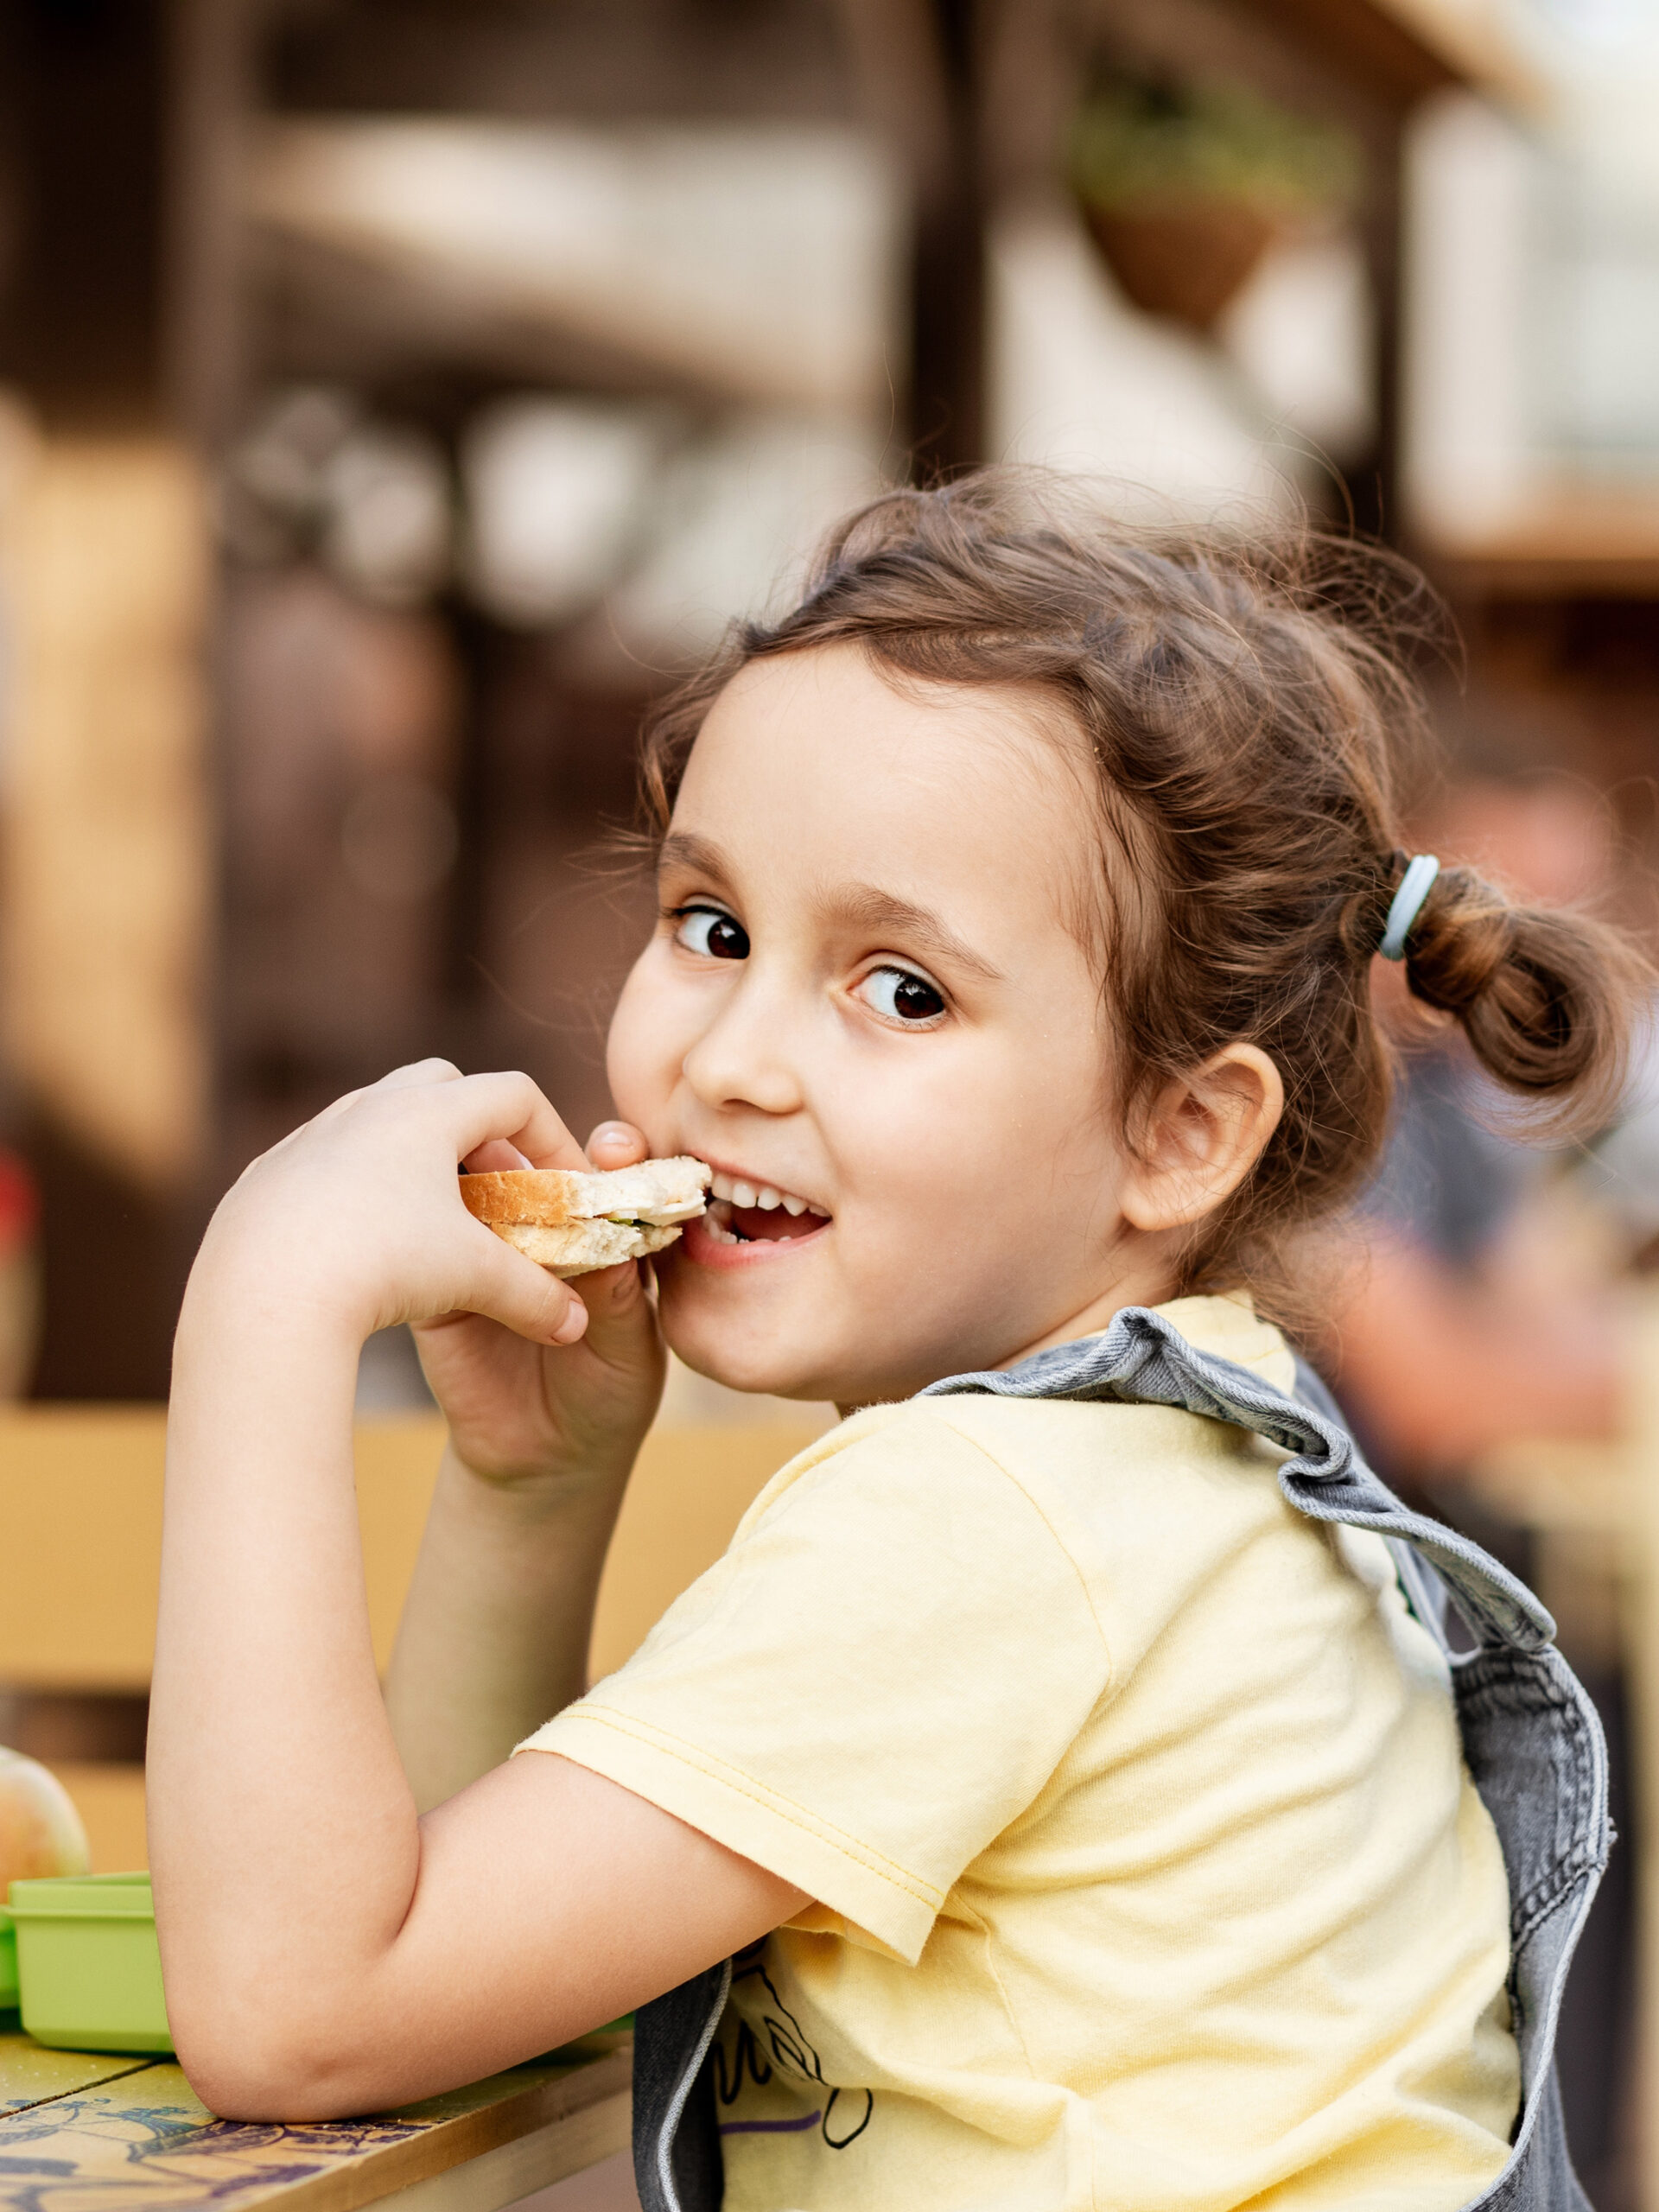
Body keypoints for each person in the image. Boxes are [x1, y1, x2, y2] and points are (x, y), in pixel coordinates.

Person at [150, 476, 1643, 2212]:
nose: (735, 1059)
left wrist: (258, 1304)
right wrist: (534, 1480)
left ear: (1178, 1133)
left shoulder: (983, 1519)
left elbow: (294, 2014)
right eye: (711, 927)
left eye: (902, 988)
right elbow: (447, 1988)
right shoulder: (1157, 1464)